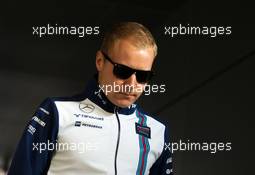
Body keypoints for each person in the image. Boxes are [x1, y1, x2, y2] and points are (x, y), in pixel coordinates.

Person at [8, 22, 173, 175]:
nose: (132, 84)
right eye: (122, 71)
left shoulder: (157, 132)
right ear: (100, 61)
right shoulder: (57, 112)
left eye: (143, 76)